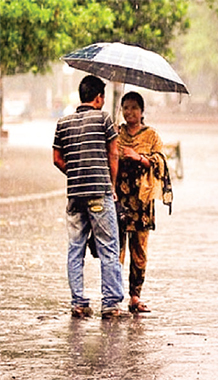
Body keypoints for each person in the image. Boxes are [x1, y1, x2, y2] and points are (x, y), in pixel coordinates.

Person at [53, 75, 124, 319]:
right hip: (99, 194)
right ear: (98, 97)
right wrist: (111, 185)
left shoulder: (63, 123)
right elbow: (113, 155)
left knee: (75, 249)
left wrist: (74, 173)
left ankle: (79, 302)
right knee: (108, 248)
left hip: (74, 196)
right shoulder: (104, 119)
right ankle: (111, 303)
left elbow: (56, 159)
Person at [116, 91, 172, 314]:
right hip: (119, 200)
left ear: (142, 111)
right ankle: (114, 296)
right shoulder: (115, 133)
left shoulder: (151, 136)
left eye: (134, 108)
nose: (129, 112)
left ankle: (135, 297)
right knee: (116, 250)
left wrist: (138, 157)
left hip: (142, 203)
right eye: (125, 108)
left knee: (139, 250)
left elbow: (160, 163)